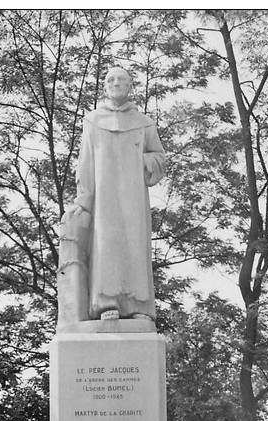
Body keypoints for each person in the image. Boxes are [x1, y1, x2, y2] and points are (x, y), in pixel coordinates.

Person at [65, 67, 166, 321]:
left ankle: (138, 306)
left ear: (130, 85)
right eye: (110, 79)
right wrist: (83, 201)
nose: (115, 83)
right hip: (104, 199)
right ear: (104, 87)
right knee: (105, 244)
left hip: (133, 197)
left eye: (121, 79)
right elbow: (85, 164)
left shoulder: (144, 123)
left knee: (134, 244)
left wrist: (145, 162)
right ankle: (106, 303)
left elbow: (160, 159)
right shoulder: (92, 121)